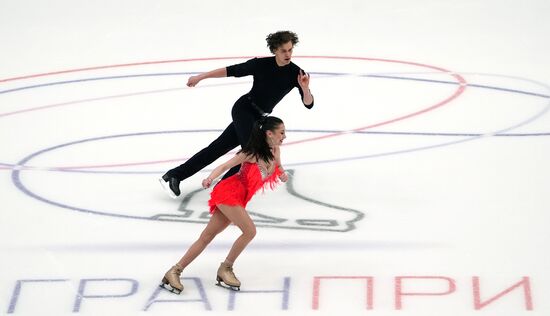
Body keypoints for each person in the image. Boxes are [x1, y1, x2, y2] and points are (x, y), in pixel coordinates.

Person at [159, 30, 313, 198]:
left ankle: (174, 175)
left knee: (217, 148)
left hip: (260, 118)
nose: (288, 54)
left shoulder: (296, 73)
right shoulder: (261, 64)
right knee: (251, 152)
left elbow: (309, 104)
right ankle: (223, 188)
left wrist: (305, 89)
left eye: (290, 50)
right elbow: (231, 70)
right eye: (283, 50)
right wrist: (201, 77)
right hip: (244, 109)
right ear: (275, 49)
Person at [160, 116, 289, 293]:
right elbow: (224, 166)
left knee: (206, 237)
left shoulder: (275, 151)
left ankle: (174, 271)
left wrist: (282, 174)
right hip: (228, 193)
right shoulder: (250, 153)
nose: (284, 136)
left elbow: (279, 167)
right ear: (269, 133)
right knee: (250, 231)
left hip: (240, 198)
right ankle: (226, 268)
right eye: (281, 132)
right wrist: (210, 178)